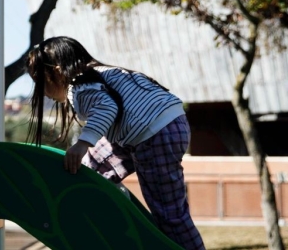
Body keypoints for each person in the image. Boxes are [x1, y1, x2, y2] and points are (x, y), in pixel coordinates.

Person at [27, 36, 205, 250]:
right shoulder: (101, 74)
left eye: (39, 81)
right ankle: (108, 221)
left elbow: (107, 108)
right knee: (89, 171)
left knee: (170, 214)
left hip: (153, 134)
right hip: (161, 126)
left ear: (56, 72)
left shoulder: (80, 86)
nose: (42, 91)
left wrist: (83, 143)